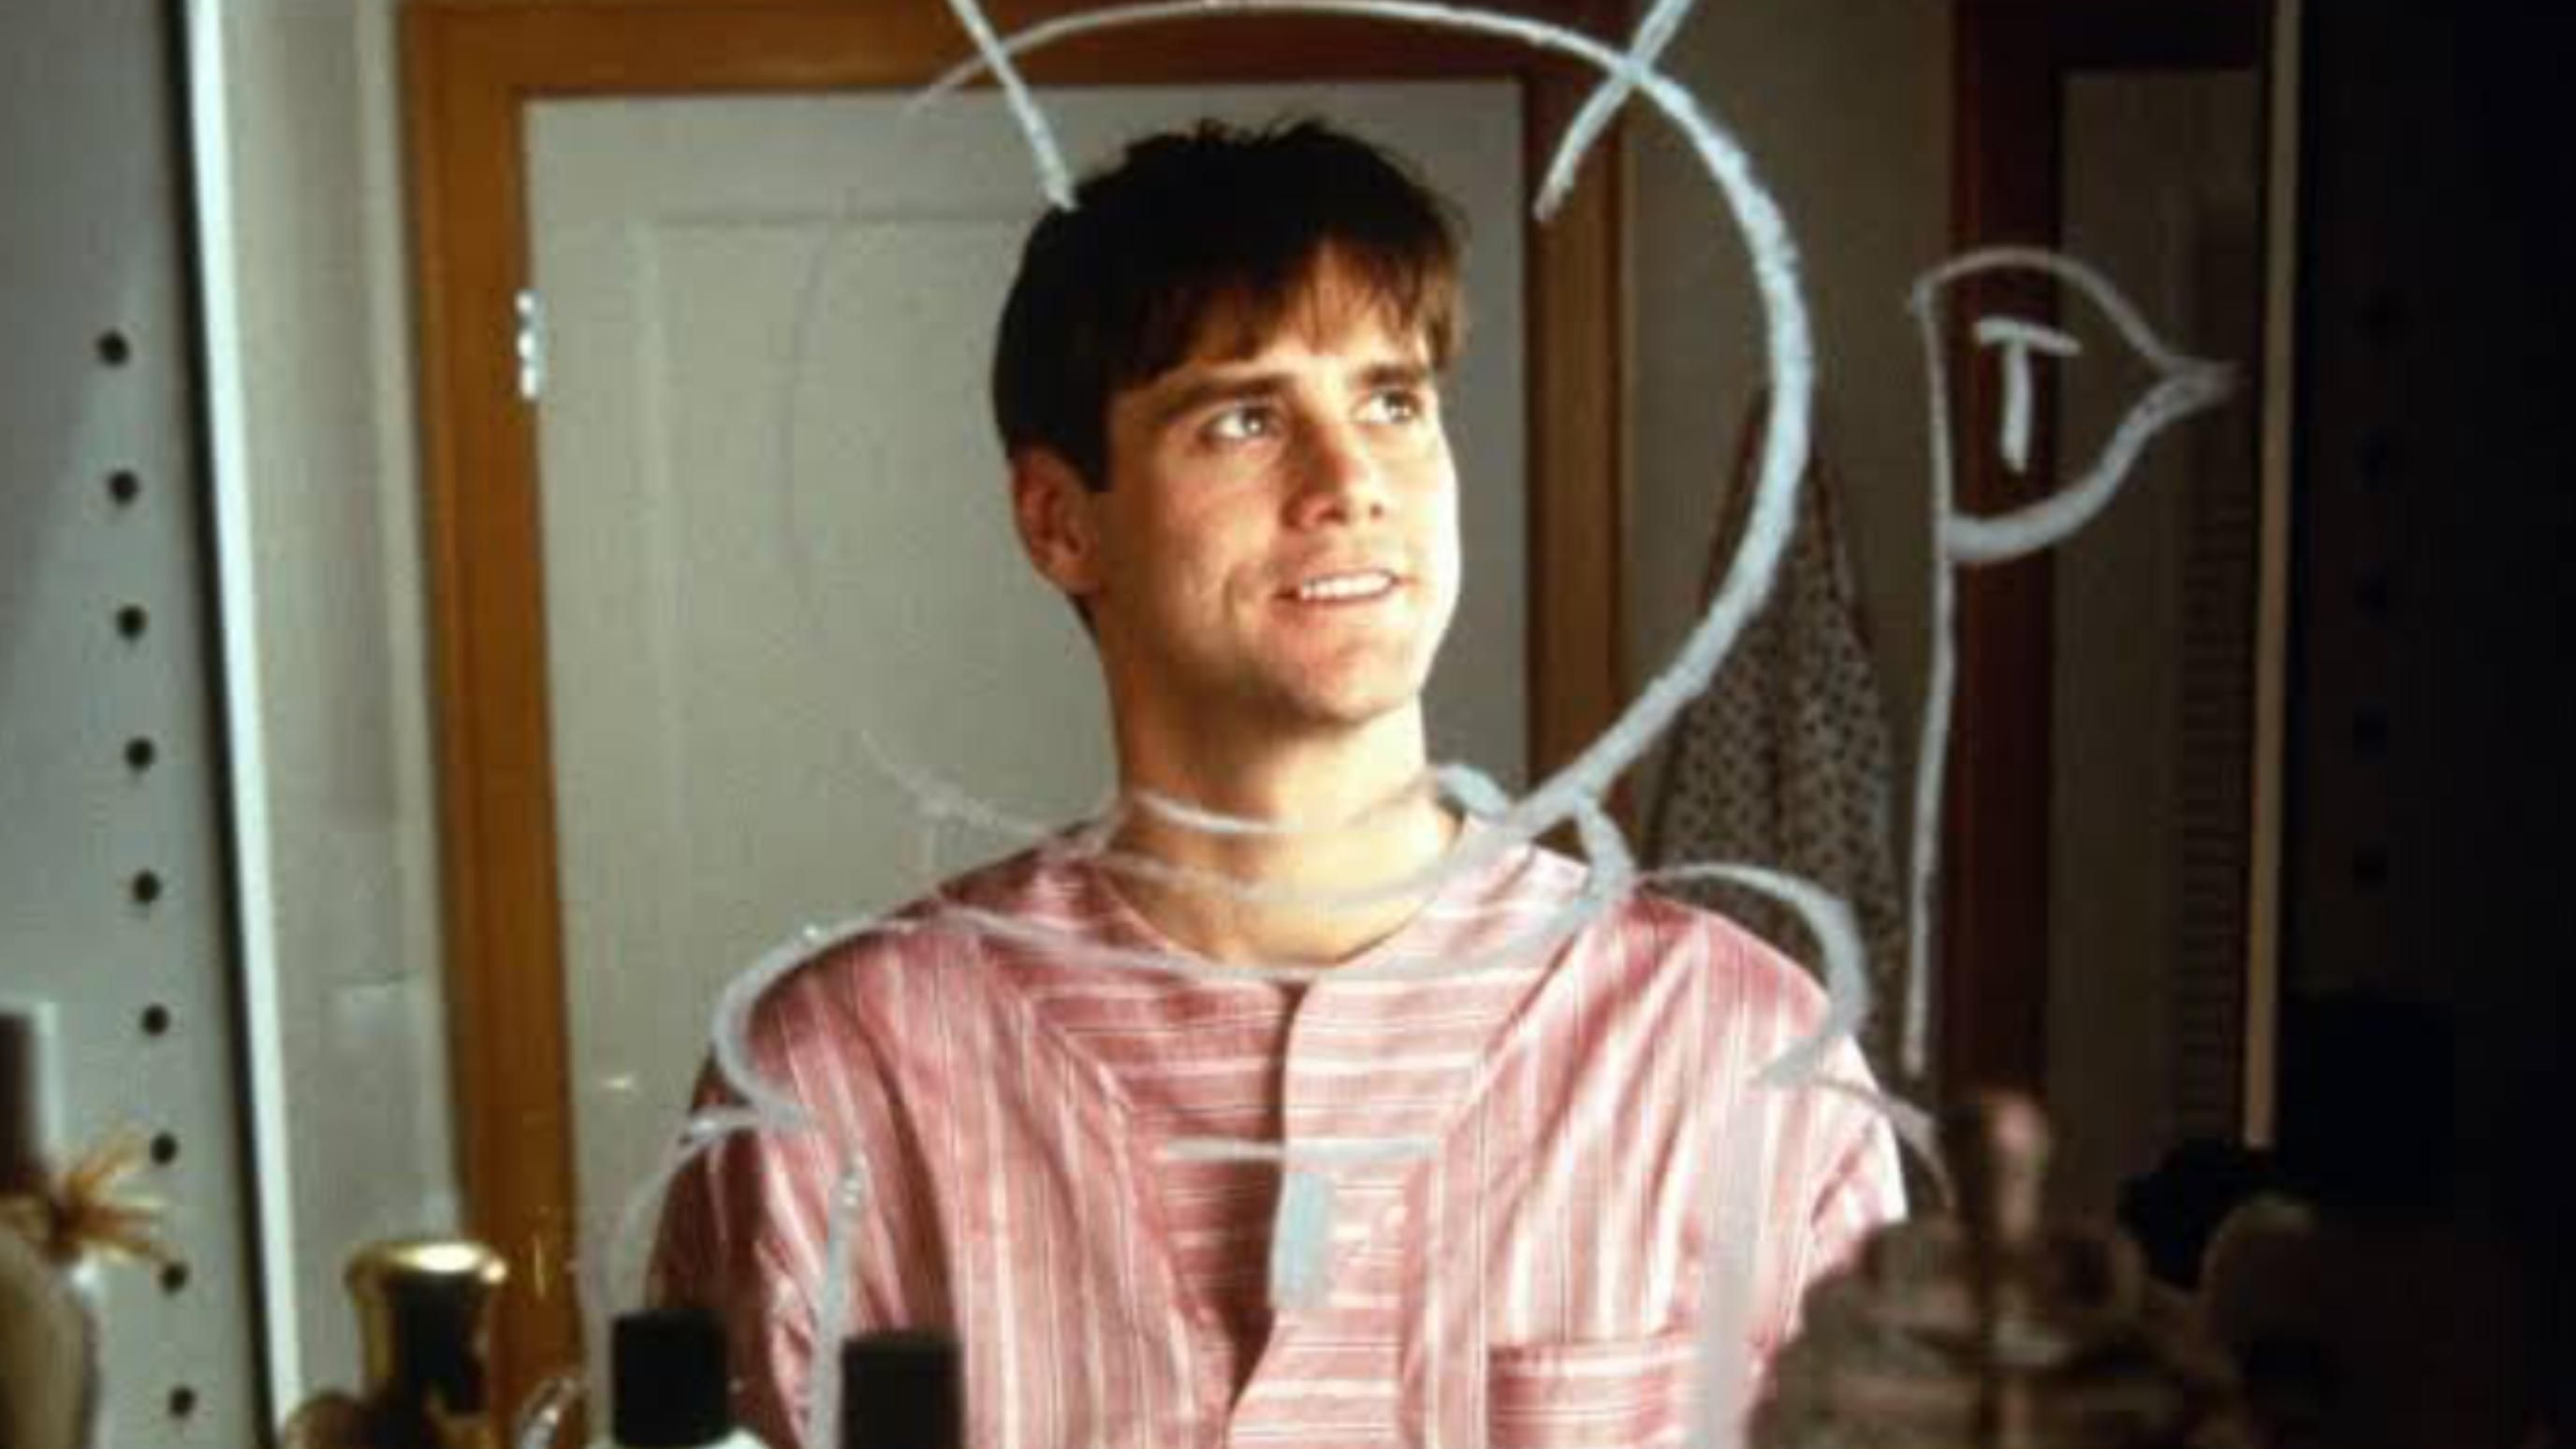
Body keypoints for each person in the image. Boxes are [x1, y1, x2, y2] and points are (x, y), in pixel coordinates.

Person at [652, 119, 1903, 1449]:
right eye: (1245, 419)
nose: (1351, 483)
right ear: (1061, 522)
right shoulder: (835, 1084)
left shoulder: (1737, 1052)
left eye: (1393, 404)